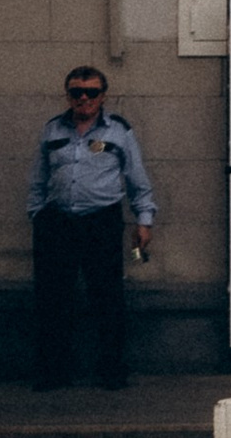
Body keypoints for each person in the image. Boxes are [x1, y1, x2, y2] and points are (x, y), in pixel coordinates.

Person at [29, 65, 154, 389]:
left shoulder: (118, 131)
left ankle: (111, 370)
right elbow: (38, 179)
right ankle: (54, 372)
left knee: (107, 297)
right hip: (58, 223)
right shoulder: (53, 130)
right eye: (76, 92)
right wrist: (37, 215)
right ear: (67, 95)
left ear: (103, 96)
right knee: (53, 299)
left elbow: (137, 179)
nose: (83, 98)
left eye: (91, 92)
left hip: (101, 221)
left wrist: (144, 220)